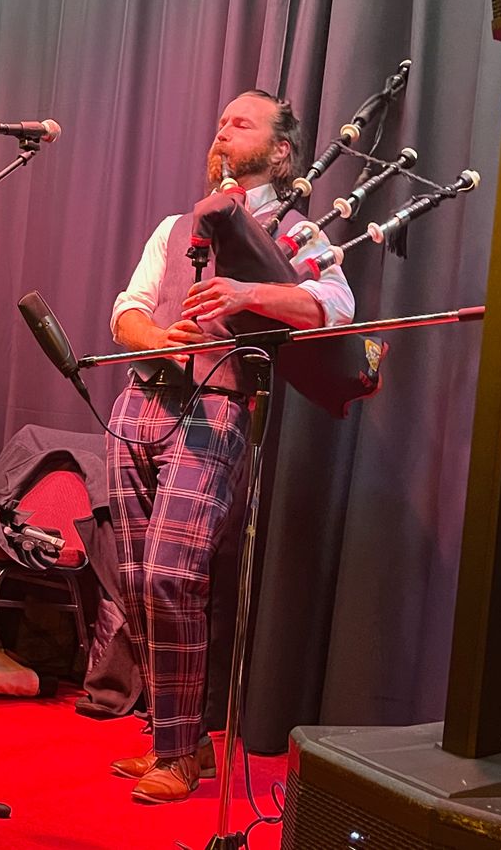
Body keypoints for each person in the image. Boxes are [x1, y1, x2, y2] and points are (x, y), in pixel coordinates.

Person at [105, 90, 354, 801]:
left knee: (168, 577)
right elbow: (127, 311)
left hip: (217, 407)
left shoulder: (302, 232)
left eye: (241, 122)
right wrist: (161, 338)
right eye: (219, 120)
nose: (222, 129)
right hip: (140, 399)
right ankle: (175, 742)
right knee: (133, 580)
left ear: (280, 150)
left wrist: (250, 293)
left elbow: (335, 309)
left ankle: (182, 753)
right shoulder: (172, 225)